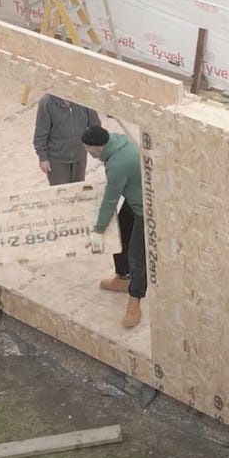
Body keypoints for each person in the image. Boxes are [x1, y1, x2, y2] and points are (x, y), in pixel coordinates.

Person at [81, 125, 146, 328]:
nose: (87, 152)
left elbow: (110, 200)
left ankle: (135, 298)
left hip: (145, 207)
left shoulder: (117, 165)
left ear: (97, 148)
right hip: (135, 196)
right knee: (119, 232)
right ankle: (122, 276)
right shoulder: (116, 140)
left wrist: (98, 230)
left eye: (87, 148)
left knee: (137, 255)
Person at [34, 94, 101, 186]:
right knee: (60, 192)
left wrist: (96, 147)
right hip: (57, 159)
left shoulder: (84, 98)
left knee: (78, 189)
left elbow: (95, 126)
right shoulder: (47, 103)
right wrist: (43, 158)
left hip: (79, 156)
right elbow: (40, 134)